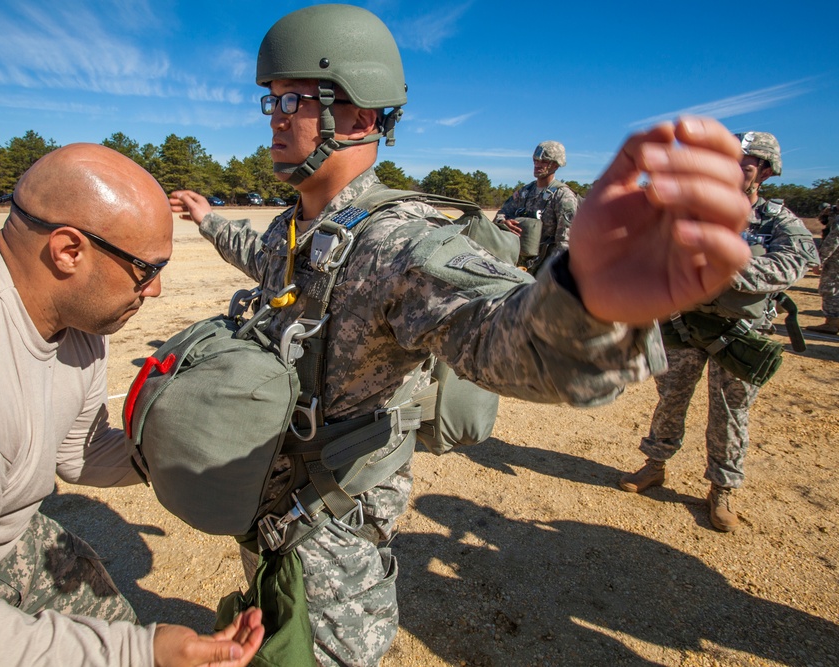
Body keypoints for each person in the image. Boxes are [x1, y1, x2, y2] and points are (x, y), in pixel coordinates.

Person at [166, 5, 752, 665]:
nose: (276, 116)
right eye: (269, 100)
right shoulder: (292, 225)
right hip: (269, 507)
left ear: (359, 114)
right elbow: (259, 254)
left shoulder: (397, 241)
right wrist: (208, 220)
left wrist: (589, 296)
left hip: (333, 535)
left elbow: (504, 335)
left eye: (295, 98)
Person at [0, 144, 263, 666]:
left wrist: (191, 444)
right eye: (146, 268)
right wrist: (140, 654)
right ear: (68, 251)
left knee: (104, 611)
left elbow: (76, 452)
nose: (154, 290)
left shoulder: (72, 323)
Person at [619, 131, 819, 532]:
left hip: (740, 334)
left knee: (730, 413)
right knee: (670, 398)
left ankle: (721, 490)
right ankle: (655, 465)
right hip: (687, 325)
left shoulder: (778, 221)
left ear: (763, 171)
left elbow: (792, 264)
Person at [492, 140, 581, 273]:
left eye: (544, 161)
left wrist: (551, 275)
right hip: (515, 263)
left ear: (556, 165)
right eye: (535, 160)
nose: (538, 165)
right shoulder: (525, 192)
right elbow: (502, 213)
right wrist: (503, 222)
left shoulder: (563, 197)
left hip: (545, 268)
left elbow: (565, 244)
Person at [806, 205, 839, 334]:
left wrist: (819, 260)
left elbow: (832, 242)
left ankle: (832, 323)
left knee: (829, 289)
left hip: (835, 262)